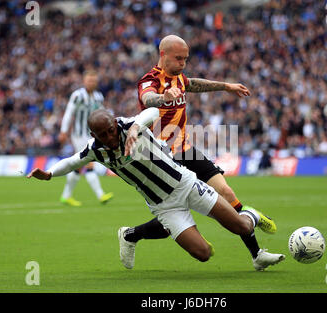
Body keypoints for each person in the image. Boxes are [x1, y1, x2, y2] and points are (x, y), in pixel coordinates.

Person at [27, 108, 285, 270]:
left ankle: (254, 216)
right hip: (163, 205)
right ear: (94, 135)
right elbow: (72, 161)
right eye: (102, 135)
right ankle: (128, 235)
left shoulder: (129, 126)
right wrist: (49, 174)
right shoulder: (95, 150)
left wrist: (136, 128)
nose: (109, 137)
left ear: (115, 124)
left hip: (186, 184)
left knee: (241, 227)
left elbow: (151, 111)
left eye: (110, 130)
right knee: (203, 254)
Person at [118, 35, 278, 271]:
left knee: (225, 191)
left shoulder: (179, 77)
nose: (183, 63)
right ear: (163, 55)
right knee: (170, 220)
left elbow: (192, 83)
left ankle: (257, 255)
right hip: (162, 158)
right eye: (178, 58)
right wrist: (163, 98)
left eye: (186, 58)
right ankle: (131, 235)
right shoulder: (149, 80)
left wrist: (225, 86)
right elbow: (146, 97)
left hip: (185, 149)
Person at [58, 70, 113, 206]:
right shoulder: (78, 95)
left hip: (92, 135)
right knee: (89, 163)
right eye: (89, 80)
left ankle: (66, 196)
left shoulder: (98, 96)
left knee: (78, 166)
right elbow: (69, 112)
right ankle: (101, 195)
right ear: (84, 81)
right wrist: (63, 131)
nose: (91, 83)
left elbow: (101, 114)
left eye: (94, 81)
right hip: (79, 135)